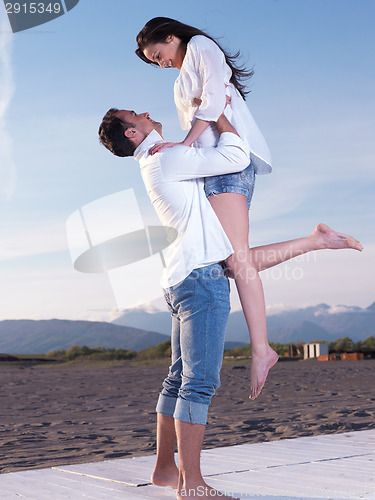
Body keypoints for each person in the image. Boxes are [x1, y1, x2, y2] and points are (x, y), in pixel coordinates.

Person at [98, 107, 362, 499]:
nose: (147, 112)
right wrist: (219, 116)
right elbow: (237, 156)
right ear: (133, 133)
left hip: (180, 278)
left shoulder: (156, 162)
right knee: (198, 384)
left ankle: (166, 470)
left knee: (178, 379)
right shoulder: (167, 156)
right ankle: (192, 485)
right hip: (201, 281)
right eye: (136, 114)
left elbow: (241, 257)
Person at [135, 17, 277, 400]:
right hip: (216, 165)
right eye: (154, 62)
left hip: (229, 160)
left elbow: (214, 101)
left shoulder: (200, 46)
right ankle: (317, 240)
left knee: (238, 261)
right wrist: (187, 149)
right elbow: (206, 107)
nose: (160, 63)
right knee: (233, 261)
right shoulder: (182, 76)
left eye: (158, 54)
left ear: (171, 36)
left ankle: (262, 350)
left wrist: (185, 143)